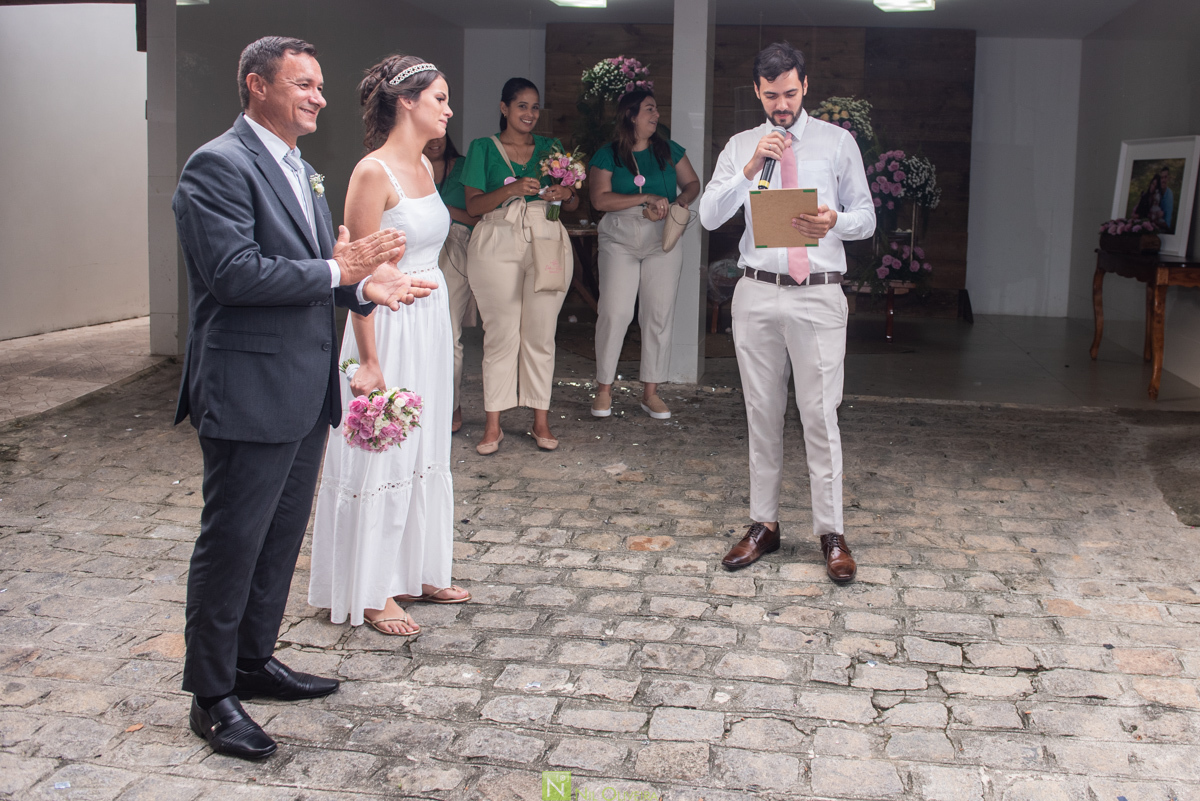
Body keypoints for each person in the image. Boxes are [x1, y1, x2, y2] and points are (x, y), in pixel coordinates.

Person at [172, 36, 436, 760]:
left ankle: (253, 661)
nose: (319, 95)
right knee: (232, 542)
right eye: (303, 83)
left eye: (320, 84)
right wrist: (336, 269)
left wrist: (364, 288)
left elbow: (324, 272)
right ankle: (211, 695)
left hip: (302, 385)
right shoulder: (217, 166)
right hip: (248, 385)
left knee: (278, 539)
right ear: (257, 86)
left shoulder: (306, 172)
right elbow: (234, 274)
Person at [699, 41, 874, 583]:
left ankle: (831, 533)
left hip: (818, 291)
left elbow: (866, 218)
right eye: (771, 95)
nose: (781, 104)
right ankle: (763, 525)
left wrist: (834, 222)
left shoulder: (838, 142)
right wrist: (752, 166)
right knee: (762, 413)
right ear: (757, 91)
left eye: (790, 93)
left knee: (821, 415)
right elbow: (708, 216)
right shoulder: (741, 146)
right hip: (757, 291)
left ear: (806, 87)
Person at [308, 56, 470, 638]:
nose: (449, 110)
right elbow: (357, 273)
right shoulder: (372, 173)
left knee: (425, 447)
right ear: (407, 101)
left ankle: (422, 569)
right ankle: (372, 589)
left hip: (427, 320)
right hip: (385, 323)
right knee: (384, 446)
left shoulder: (427, 167)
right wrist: (369, 359)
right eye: (440, 98)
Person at [462, 78, 579, 454]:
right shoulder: (483, 147)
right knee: (501, 334)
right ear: (504, 109)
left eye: (534, 107)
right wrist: (510, 190)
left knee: (541, 334)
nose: (529, 114)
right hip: (497, 240)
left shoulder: (551, 148)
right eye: (521, 106)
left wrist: (565, 193)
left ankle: (540, 420)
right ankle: (493, 425)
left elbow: (572, 204)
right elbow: (474, 207)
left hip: (546, 239)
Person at [588, 89, 701, 420]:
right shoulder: (608, 154)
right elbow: (599, 200)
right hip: (620, 238)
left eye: (656, 109)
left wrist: (679, 203)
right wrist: (643, 198)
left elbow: (693, 184)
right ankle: (604, 389)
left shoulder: (668, 150)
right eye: (650, 109)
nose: (656, 115)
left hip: (662, 237)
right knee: (615, 312)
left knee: (658, 314)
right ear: (631, 115)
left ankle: (650, 393)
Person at [424, 134, 480, 433]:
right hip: (415, 247)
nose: (435, 141)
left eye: (440, 135)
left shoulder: (463, 167)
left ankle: (452, 403)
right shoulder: (410, 165)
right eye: (428, 135)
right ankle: (417, 400)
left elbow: (478, 213)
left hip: (455, 246)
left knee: (449, 333)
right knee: (416, 332)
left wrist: (439, 212)